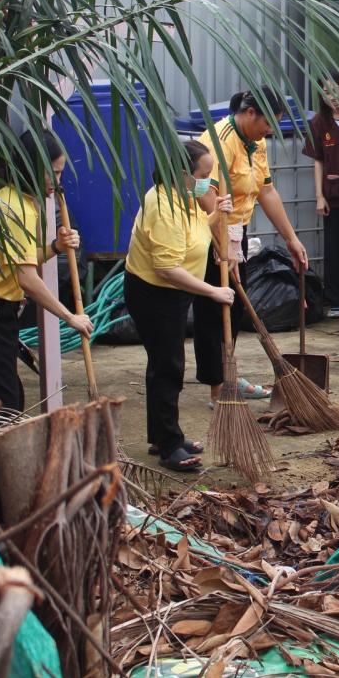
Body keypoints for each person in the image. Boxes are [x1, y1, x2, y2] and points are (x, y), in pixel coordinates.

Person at [0, 128, 94, 413]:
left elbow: (20, 262)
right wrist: (70, 317)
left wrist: (56, 246)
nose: (58, 183)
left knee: (8, 398)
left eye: (60, 174)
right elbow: (26, 278)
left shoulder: (23, 203)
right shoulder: (14, 207)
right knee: (1, 407)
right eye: (53, 174)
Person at [124, 141, 235, 471]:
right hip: (155, 293)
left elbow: (197, 233)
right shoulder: (163, 206)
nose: (207, 182)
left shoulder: (183, 198)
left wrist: (218, 214)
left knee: (165, 363)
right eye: (204, 175)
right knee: (168, 366)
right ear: (185, 174)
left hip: (172, 292)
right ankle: (169, 445)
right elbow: (166, 268)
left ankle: (164, 436)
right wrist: (212, 292)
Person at [196, 87, 308, 404]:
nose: (269, 132)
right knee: (213, 308)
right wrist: (221, 246)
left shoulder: (255, 142)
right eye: (267, 124)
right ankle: (218, 388)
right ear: (249, 114)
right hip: (210, 231)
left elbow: (266, 191)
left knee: (230, 306)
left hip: (236, 230)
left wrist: (291, 238)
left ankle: (229, 374)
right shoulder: (218, 141)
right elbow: (206, 196)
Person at [304, 73, 339, 318]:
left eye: (337, 90)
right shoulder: (318, 123)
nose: (333, 97)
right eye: (327, 92)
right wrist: (319, 196)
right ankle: (336, 300)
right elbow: (318, 161)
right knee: (333, 248)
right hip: (332, 194)